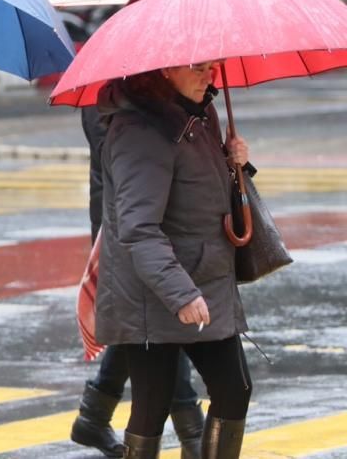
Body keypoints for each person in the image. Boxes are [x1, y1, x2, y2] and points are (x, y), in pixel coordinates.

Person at [96, 62, 252, 458]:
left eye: (212, 67)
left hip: (204, 275)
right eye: (199, 68)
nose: (210, 77)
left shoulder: (198, 114)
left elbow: (206, 191)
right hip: (154, 291)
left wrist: (236, 163)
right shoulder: (139, 130)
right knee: (152, 407)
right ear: (164, 70)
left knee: (235, 389)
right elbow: (138, 227)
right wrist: (180, 293)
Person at [71, 107, 204, 458]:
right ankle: (195, 436)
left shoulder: (152, 96)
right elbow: (131, 165)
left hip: (147, 222)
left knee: (139, 328)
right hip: (126, 229)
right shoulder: (114, 101)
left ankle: (93, 415)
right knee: (160, 325)